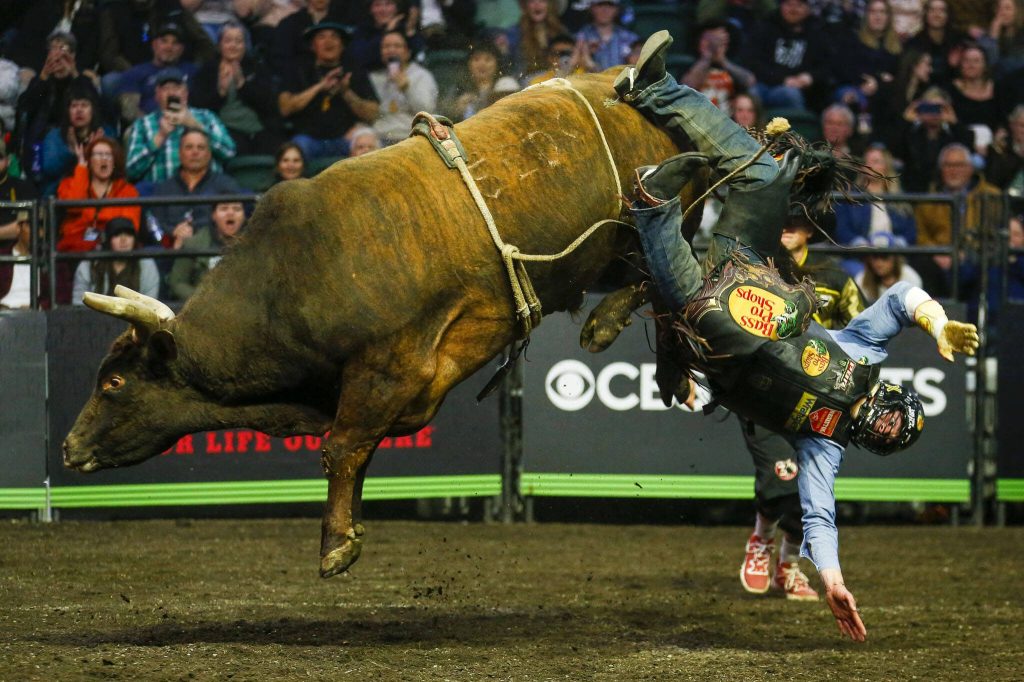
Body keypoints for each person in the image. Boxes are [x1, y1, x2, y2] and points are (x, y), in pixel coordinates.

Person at [613, 31, 979, 641]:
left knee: (702, 310)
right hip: (749, 268)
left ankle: (651, 207)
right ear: (893, 397)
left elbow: (819, 517)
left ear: (875, 443)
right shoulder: (863, 351)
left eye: (893, 437)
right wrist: (937, 322)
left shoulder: (823, 448)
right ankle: (657, 89)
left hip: (712, 328)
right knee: (768, 172)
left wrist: (832, 577)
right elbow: (901, 298)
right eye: (899, 419)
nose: (889, 425)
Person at [738, 212, 865, 603]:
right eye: (781, 220)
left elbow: (858, 335)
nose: (786, 227)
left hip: (821, 401)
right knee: (781, 476)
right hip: (765, 391)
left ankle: (788, 567)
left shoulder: (836, 279)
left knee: (809, 491)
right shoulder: (757, 273)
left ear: (810, 228)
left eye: (796, 222)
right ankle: (761, 539)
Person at [278, 22, 379, 160]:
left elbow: (372, 113)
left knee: (365, 144)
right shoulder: (298, 70)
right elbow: (285, 108)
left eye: (334, 37)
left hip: (345, 139)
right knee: (296, 149)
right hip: (308, 140)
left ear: (342, 45)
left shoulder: (355, 71)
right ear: (313, 45)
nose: (328, 41)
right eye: (321, 37)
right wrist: (320, 86)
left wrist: (346, 92)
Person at [125, 67, 237, 184]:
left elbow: (229, 152)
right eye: (166, 88)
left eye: (177, 88)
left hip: (205, 193)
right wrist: (160, 136)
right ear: (157, 95)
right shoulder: (143, 124)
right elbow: (132, 171)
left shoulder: (206, 117)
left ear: (186, 93)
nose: (172, 93)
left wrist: (195, 125)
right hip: (160, 195)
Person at [15, 32, 100, 181]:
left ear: (73, 55)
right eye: (53, 49)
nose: (58, 55)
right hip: (42, 137)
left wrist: (74, 74)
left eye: (63, 49)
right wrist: (43, 77)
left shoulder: (81, 80)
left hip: (75, 135)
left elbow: (95, 104)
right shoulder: (43, 80)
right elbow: (26, 106)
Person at [189, 20, 282, 155]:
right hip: (225, 130)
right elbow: (198, 108)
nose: (233, 46)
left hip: (260, 130)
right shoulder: (208, 70)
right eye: (228, 41)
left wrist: (242, 85)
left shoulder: (257, 67)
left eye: (238, 41)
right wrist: (220, 92)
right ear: (219, 45)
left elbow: (268, 104)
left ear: (245, 45)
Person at [147, 127, 242, 251]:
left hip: (213, 251)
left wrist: (195, 230)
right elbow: (155, 222)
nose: (195, 152)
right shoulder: (164, 188)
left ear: (209, 153)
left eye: (200, 147)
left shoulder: (226, 185)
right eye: (189, 147)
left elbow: (232, 221)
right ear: (180, 153)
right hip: (171, 249)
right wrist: (174, 232)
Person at [111, 19, 209, 125]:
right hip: (147, 125)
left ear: (182, 49)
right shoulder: (135, 73)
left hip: (187, 124)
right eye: (164, 41)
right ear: (154, 45)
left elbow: (203, 106)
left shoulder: (193, 71)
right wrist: (153, 125)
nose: (169, 47)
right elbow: (129, 111)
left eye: (175, 43)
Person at [739, 0, 831, 110]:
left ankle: (799, 126)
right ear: (781, 6)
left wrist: (810, 77)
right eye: (789, 4)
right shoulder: (765, 27)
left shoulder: (818, 32)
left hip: (802, 90)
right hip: (766, 84)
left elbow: (827, 65)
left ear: (808, 9)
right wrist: (783, 80)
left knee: (791, 94)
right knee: (751, 95)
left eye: (799, 5)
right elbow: (753, 62)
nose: (793, 9)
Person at [38, 82, 111, 196]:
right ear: (68, 111)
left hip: (99, 189)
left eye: (84, 105)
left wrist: (92, 152)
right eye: (74, 106)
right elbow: (49, 168)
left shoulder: (104, 133)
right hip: (62, 192)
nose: (79, 110)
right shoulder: (55, 136)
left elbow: (113, 166)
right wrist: (71, 152)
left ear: (93, 110)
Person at [167, 199, 247, 300]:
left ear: (244, 216)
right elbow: (177, 283)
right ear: (213, 215)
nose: (230, 213)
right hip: (202, 308)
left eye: (237, 209)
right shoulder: (193, 244)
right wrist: (204, 300)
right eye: (224, 208)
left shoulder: (254, 244)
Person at [369, 30, 439, 145]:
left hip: (410, 136)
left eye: (397, 46)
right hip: (379, 138)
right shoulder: (375, 78)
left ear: (407, 52)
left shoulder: (421, 76)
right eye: (386, 46)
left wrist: (407, 88)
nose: (391, 50)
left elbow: (428, 111)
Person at [72, 217, 160, 304]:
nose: (123, 239)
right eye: (117, 235)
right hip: (93, 317)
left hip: (135, 317)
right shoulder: (89, 264)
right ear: (107, 240)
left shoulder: (146, 264)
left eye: (128, 234)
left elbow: (151, 306)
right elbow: (79, 303)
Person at [681, 21, 756, 116]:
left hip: (727, 121)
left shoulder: (731, 64)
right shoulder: (690, 63)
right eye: (718, 40)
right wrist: (707, 57)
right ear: (703, 41)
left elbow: (750, 82)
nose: (723, 43)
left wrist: (724, 61)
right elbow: (687, 86)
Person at [442, 42, 520, 121]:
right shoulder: (458, 89)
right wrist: (457, 109)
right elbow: (444, 114)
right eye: (476, 59)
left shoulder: (506, 84)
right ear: (469, 63)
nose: (482, 64)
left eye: (488, 59)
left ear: (497, 63)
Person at [499, 0, 570, 81]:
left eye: (542, 1)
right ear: (525, 6)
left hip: (557, 79)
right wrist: (504, 52)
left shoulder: (561, 32)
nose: (537, 4)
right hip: (524, 81)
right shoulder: (514, 33)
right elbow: (509, 67)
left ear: (550, 5)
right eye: (531, 1)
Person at [348, 0, 425, 73]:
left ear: (396, 8)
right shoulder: (363, 30)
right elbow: (360, 57)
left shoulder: (404, 28)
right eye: (377, 5)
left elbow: (416, 53)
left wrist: (410, 31)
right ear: (370, 9)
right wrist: (387, 31)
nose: (383, 10)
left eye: (388, 4)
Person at [854, 232, 924, 303]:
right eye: (875, 256)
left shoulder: (910, 278)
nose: (879, 263)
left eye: (884, 256)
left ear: (895, 257)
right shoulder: (861, 280)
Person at [574, 0, 637, 72]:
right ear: (591, 8)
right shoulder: (579, 37)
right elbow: (567, 70)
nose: (605, 10)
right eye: (600, 5)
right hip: (588, 81)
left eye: (610, 5)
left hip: (623, 82)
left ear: (617, 9)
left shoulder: (630, 38)